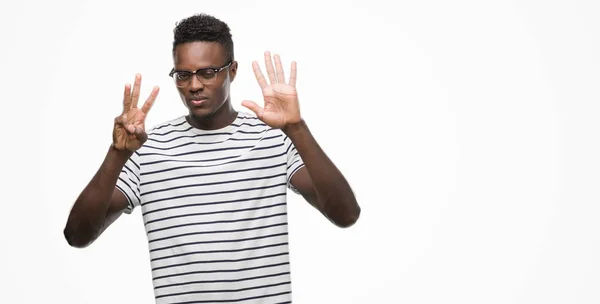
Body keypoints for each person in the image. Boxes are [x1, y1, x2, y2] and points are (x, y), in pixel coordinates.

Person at [63, 13, 361, 303]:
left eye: (207, 73)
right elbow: (77, 235)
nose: (194, 85)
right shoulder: (149, 147)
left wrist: (296, 127)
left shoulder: (271, 138)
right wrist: (117, 154)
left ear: (231, 71)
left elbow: (345, 214)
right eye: (183, 75)